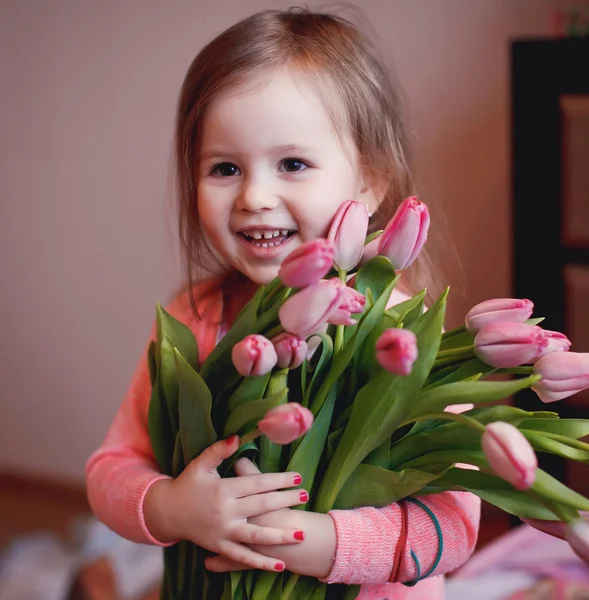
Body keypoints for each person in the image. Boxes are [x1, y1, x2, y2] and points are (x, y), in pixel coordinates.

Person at [86, 8, 480, 599]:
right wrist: (168, 508)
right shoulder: (194, 322)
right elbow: (110, 469)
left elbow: (454, 527)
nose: (254, 196)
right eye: (224, 168)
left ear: (369, 179)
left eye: (292, 164)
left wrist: (322, 543)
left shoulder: (404, 339)